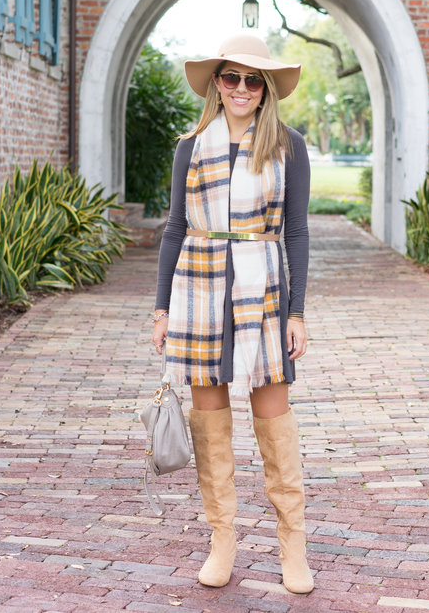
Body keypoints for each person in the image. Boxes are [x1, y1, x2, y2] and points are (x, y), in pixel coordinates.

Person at [151, 34, 313, 594]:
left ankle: (293, 544)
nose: (241, 89)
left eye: (252, 80)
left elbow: (296, 231)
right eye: (231, 78)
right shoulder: (189, 146)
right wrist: (160, 307)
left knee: (273, 416)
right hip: (197, 287)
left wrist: (297, 311)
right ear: (217, 85)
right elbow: (174, 228)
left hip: (264, 286)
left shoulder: (289, 146)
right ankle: (222, 539)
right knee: (211, 423)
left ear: (266, 89)